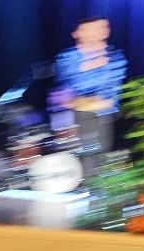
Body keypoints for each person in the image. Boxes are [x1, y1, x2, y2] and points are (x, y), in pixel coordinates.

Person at [52, 17, 127, 173]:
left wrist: (82, 100)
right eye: (89, 29)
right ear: (77, 33)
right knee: (72, 163)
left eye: (100, 28)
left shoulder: (115, 57)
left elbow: (108, 98)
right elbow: (67, 93)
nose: (95, 33)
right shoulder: (68, 57)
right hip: (72, 119)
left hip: (103, 118)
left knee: (97, 162)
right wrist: (81, 101)